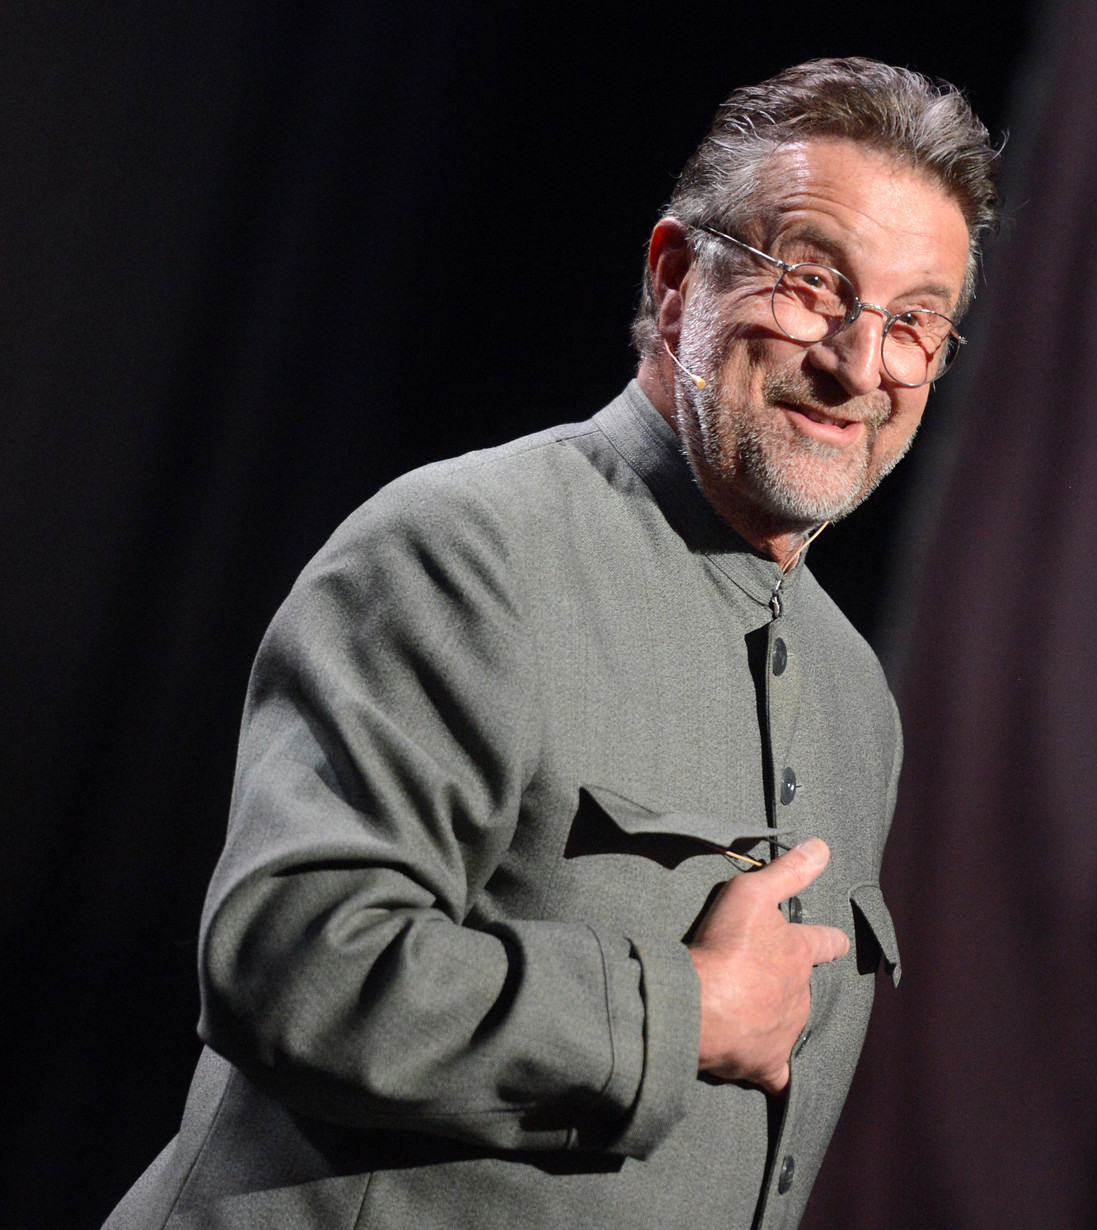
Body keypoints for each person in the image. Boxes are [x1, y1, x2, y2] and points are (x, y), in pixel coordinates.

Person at [104, 57, 998, 1230]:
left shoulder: (857, 700)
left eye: (914, 322)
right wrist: (681, 1011)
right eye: (812, 283)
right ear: (677, 279)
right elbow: (293, 964)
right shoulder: (467, 547)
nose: (858, 362)